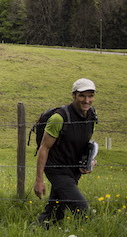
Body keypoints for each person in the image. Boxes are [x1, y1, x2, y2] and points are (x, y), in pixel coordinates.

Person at [34, 78, 98, 227]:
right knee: (82, 209)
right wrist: (39, 180)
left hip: (73, 170)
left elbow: (83, 143)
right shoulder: (59, 118)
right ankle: (90, 230)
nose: (87, 100)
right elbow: (44, 148)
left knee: (54, 212)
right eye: (82, 95)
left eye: (90, 96)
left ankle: (37, 230)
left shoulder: (91, 115)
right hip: (57, 169)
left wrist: (90, 161)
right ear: (74, 95)